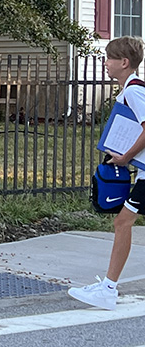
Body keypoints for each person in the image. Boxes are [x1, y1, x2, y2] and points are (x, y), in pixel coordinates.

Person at [68, 36, 145, 311]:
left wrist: (125, 156)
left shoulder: (134, 92)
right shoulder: (132, 89)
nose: (105, 63)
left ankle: (108, 289)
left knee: (122, 223)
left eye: (109, 58)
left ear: (124, 63)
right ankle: (108, 288)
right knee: (123, 223)